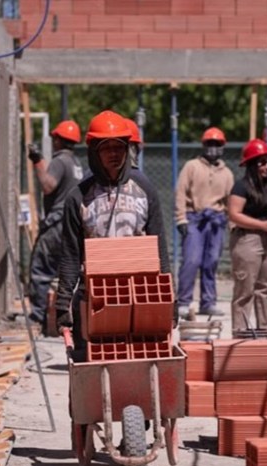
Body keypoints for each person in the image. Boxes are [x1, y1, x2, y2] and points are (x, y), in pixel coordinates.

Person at [55, 110, 171, 353]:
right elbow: (70, 255)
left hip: (139, 295)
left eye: (119, 147)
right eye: (106, 148)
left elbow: (158, 246)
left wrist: (171, 298)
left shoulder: (144, 190)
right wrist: (63, 302)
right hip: (94, 297)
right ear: (94, 152)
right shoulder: (78, 197)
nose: (114, 154)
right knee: (90, 369)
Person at [26, 120, 84, 330]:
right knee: (65, 270)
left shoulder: (60, 161)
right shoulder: (76, 164)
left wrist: (38, 160)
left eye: (55, 138)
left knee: (41, 268)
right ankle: (65, 319)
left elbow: (48, 185)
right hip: (70, 224)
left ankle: (38, 318)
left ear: (59, 140)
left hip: (57, 224)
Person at [174, 127, 234, 317]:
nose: (213, 148)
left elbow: (230, 201)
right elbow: (180, 192)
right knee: (191, 261)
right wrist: (181, 218)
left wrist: (229, 221)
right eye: (210, 144)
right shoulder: (192, 166)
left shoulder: (227, 174)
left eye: (217, 145)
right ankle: (184, 301)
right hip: (194, 218)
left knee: (212, 262)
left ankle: (208, 302)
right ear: (203, 145)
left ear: (222, 147)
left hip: (216, 221)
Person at [228, 138, 267, 334]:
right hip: (248, 241)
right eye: (261, 162)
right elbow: (234, 215)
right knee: (245, 290)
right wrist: (262, 225)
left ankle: (266, 333)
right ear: (251, 165)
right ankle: (241, 333)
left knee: (265, 289)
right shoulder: (241, 187)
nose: (266, 166)